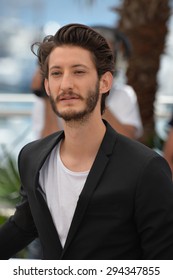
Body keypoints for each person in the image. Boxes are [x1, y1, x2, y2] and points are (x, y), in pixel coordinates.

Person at [0, 23, 173, 260]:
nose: (66, 84)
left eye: (79, 71)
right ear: (48, 86)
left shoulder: (146, 169)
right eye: (57, 73)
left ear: (105, 82)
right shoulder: (32, 157)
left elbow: (163, 264)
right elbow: (24, 224)